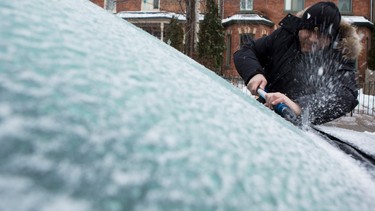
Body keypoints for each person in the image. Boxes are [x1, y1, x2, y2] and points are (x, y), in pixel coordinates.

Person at [234, 1, 362, 125]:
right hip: (263, 111)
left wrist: (300, 107)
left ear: (331, 39)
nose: (312, 39)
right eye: (309, 30)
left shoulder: (340, 55)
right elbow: (246, 51)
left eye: (321, 35)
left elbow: (346, 95)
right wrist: (254, 73)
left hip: (297, 128)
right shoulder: (285, 35)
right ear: (300, 26)